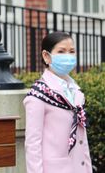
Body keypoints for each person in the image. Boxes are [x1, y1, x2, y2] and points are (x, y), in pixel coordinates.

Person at [23, 31, 92, 173]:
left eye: (71, 51)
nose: (68, 56)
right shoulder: (38, 95)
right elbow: (33, 144)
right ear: (46, 56)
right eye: (61, 51)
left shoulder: (76, 92)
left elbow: (82, 140)